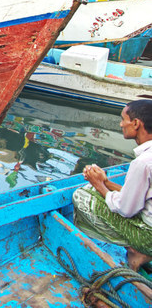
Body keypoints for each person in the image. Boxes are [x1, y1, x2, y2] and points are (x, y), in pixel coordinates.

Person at [73, 99, 152, 272]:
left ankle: (138, 250)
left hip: (149, 237)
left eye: (123, 119)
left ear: (136, 123)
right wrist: (107, 182)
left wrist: (98, 185)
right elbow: (142, 198)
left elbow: (126, 209)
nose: (121, 124)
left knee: (82, 194)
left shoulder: (143, 163)